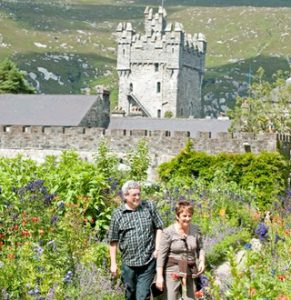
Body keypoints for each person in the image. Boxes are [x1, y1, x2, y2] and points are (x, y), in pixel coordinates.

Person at [108, 180, 163, 300]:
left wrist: (157, 248)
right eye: (134, 195)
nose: (138, 197)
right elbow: (113, 241)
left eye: (139, 194)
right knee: (130, 295)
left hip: (148, 261)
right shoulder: (118, 214)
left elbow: (159, 227)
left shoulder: (149, 206)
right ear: (125, 196)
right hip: (129, 264)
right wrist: (113, 264)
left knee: (142, 296)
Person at [155, 201, 205, 300]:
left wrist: (202, 261)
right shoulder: (168, 232)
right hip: (172, 269)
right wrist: (159, 277)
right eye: (184, 216)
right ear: (177, 216)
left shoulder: (196, 230)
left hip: (190, 269)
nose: (187, 219)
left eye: (190, 216)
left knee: (191, 298)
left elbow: (201, 248)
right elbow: (161, 255)